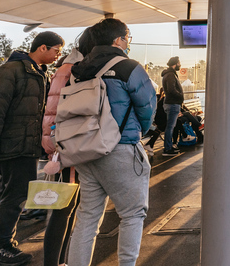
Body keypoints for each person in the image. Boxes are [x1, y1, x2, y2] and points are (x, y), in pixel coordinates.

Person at [0, 31, 64, 266]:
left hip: (25, 144)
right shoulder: (10, 71)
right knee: (15, 196)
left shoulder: (38, 73)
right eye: (56, 50)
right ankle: (2, 247)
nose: (57, 55)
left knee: (2, 192)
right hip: (13, 145)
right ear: (42, 48)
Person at [66, 19, 156, 266]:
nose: (128, 42)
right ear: (118, 40)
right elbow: (148, 106)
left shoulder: (79, 69)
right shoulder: (128, 67)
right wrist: (140, 131)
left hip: (86, 150)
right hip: (120, 148)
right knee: (132, 214)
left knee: (87, 218)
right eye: (127, 37)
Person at [41, 30, 96, 266]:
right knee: (63, 207)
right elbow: (54, 111)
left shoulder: (70, 66)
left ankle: (61, 261)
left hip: (66, 142)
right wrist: (53, 142)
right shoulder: (74, 69)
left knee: (70, 206)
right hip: (67, 144)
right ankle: (53, 262)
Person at [161, 56, 184, 157]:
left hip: (170, 103)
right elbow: (171, 90)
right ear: (175, 64)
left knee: (170, 127)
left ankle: (169, 146)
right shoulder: (171, 75)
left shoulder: (168, 74)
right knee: (170, 127)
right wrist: (180, 96)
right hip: (172, 103)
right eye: (179, 63)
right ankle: (167, 149)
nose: (180, 65)